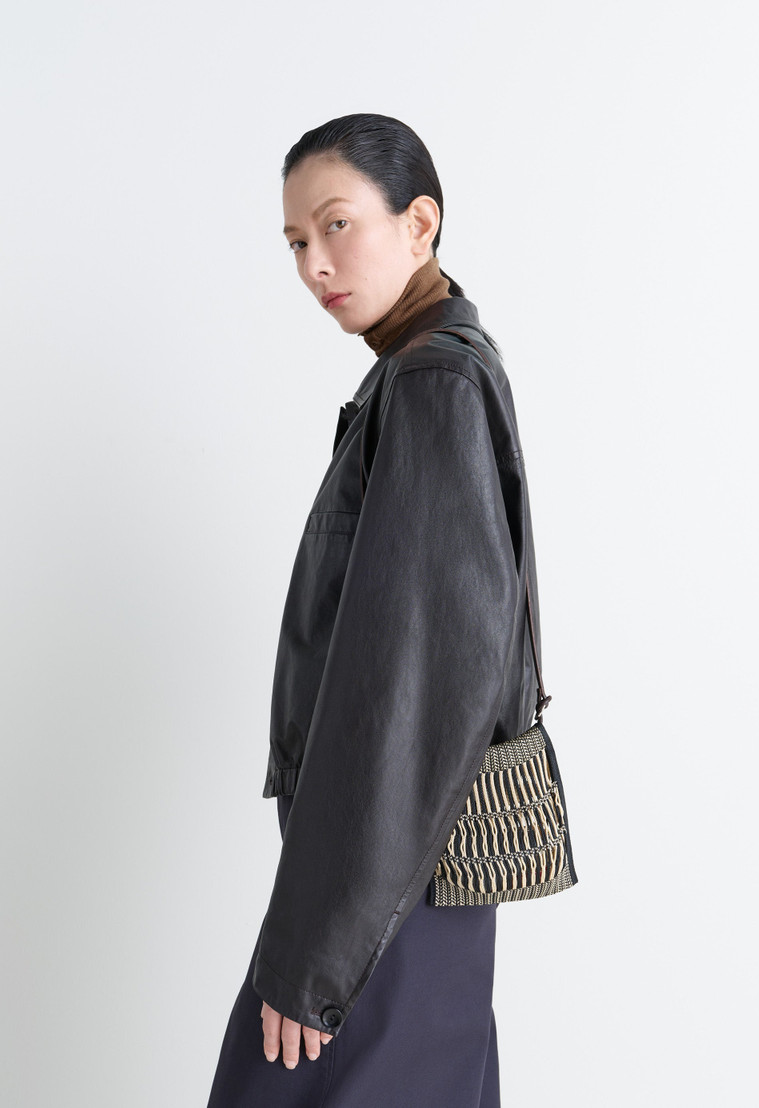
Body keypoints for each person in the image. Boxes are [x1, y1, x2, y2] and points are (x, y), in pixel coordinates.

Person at [207, 112, 560, 1107]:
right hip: (403, 879)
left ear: (419, 222)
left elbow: (408, 694)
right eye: (294, 243)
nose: (313, 264)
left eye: (335, 225)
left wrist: (315, 955)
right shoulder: (428, 372)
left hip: (382, 887)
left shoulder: (432, 383)